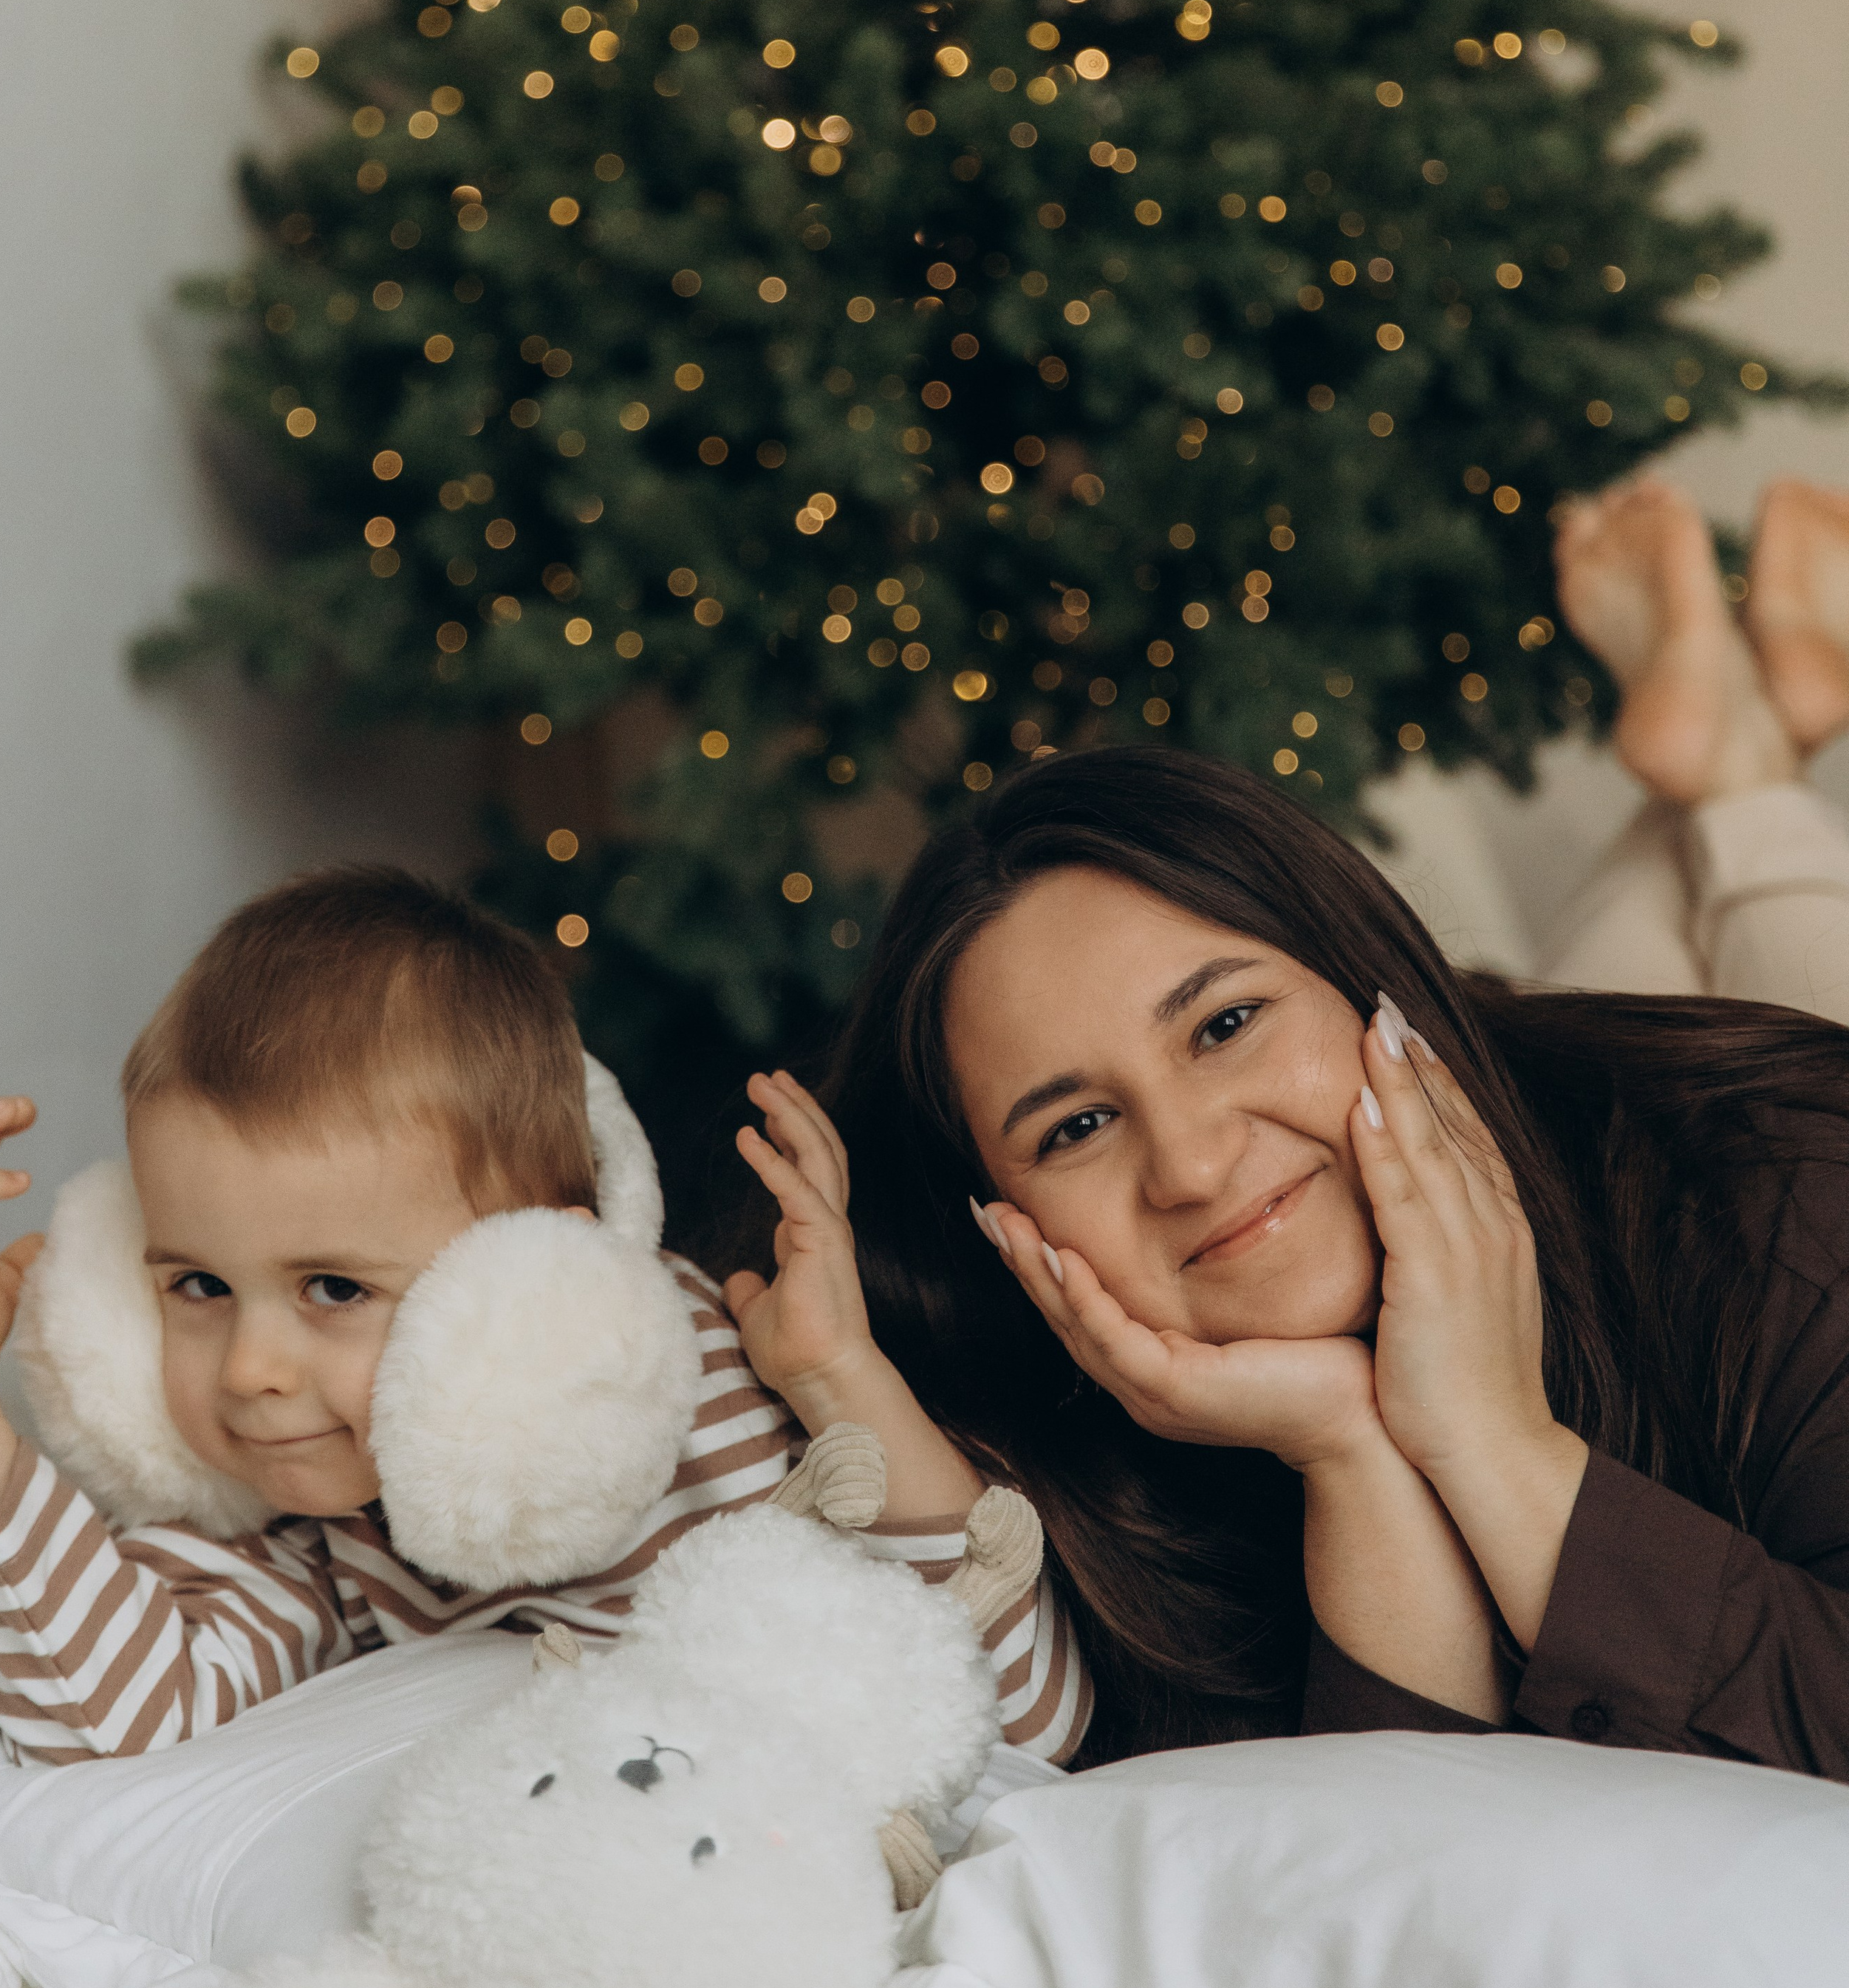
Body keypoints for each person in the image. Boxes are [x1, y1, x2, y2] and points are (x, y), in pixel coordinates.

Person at [720, 475, 1849, 1774]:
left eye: (1222, 1025)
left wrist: (1499, 1444)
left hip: (1641, 1101)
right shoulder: (1067, 1489)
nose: (1195, 1164)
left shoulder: (1782, 1177)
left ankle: (1740, 784)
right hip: (1521, 1064)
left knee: (1746, 985)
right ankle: (1718, 759)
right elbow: (1380, 1873)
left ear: (1367, 972)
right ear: (1000, 1217)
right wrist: (1347, 1439)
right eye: (1078, 1126)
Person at [0, 871, 1079, 1764]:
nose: (250, 1370)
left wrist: (841, 1379)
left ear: (532, 1272)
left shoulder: (719, 1411)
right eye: (197, 1286)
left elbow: (1030, 1725)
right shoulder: (313, 1518)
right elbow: (125, 1718)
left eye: (336, 1289)